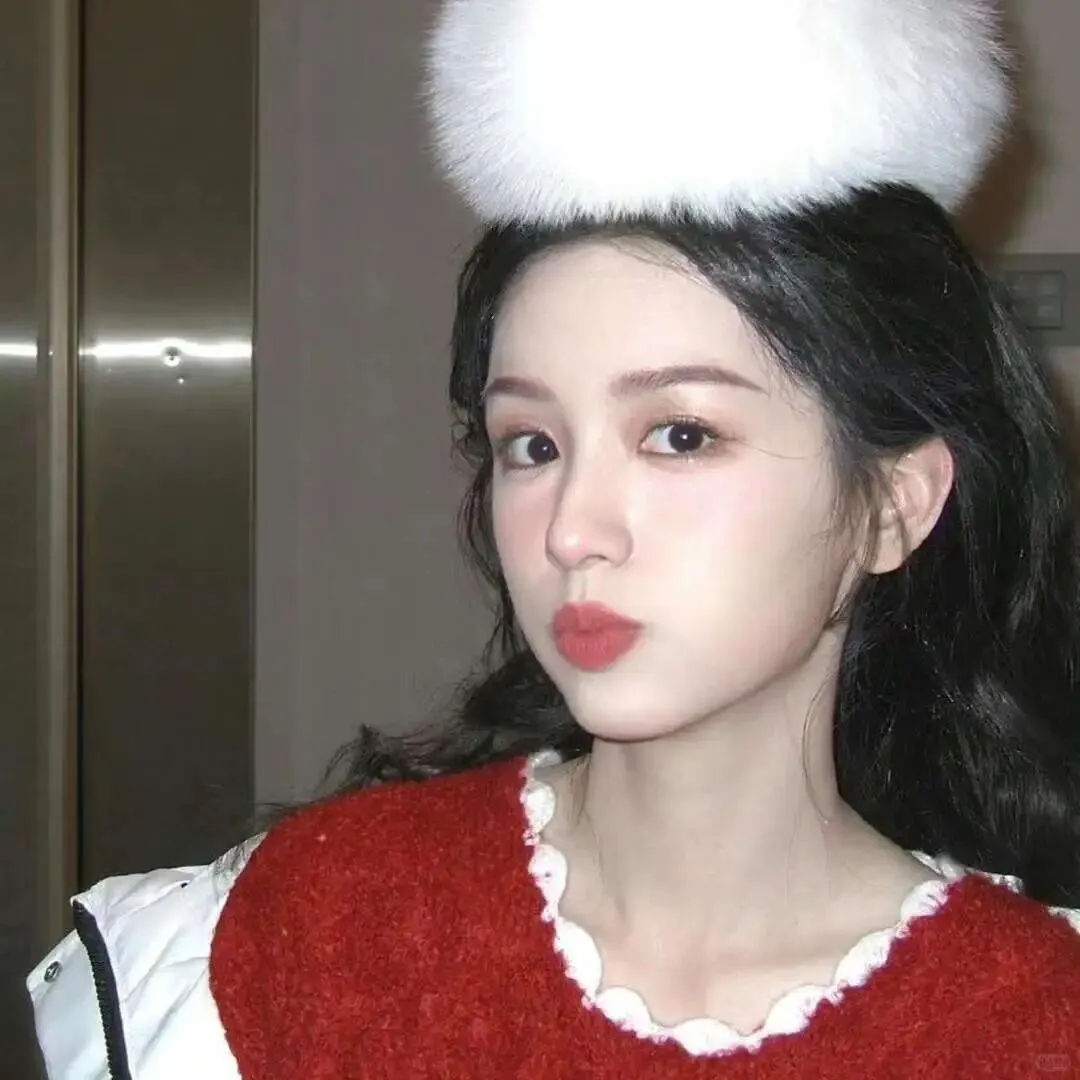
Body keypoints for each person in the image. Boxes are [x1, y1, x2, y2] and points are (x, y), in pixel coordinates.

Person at [28, 0, 1080, 1076]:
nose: (573, 529)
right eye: (532, 444)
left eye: (680, 435)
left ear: (896, 505)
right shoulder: (309, 930)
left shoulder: (1033, 1022)